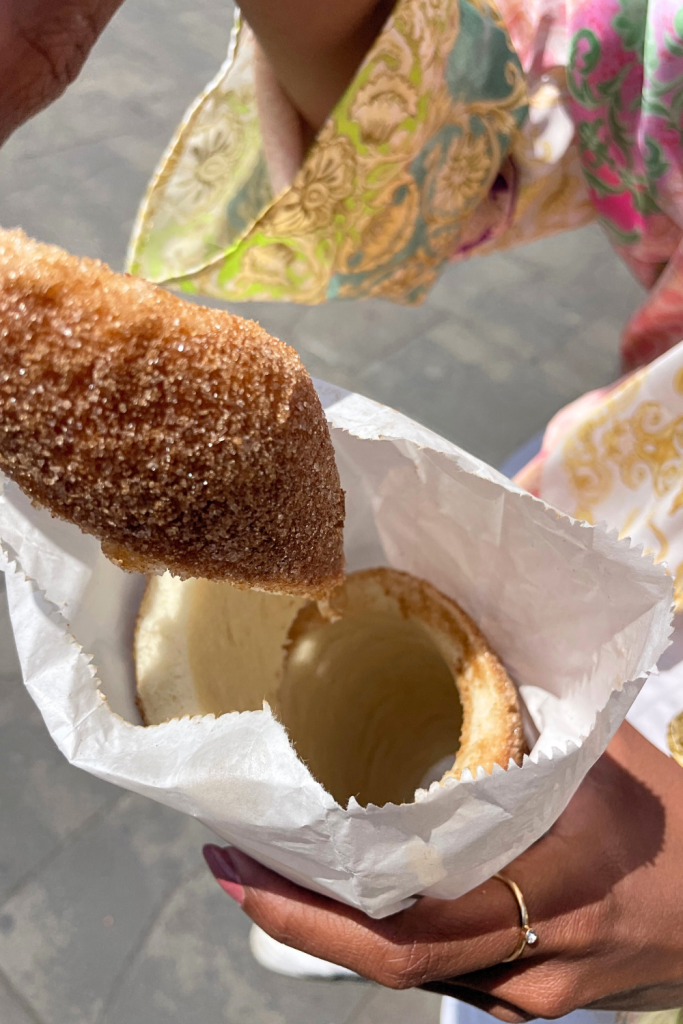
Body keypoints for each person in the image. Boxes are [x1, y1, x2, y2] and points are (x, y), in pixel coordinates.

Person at [1, 1, 682, 1021]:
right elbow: (479, 141)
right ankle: (379, 869)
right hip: (593, 500)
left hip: (642, 931)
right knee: (396, 829)